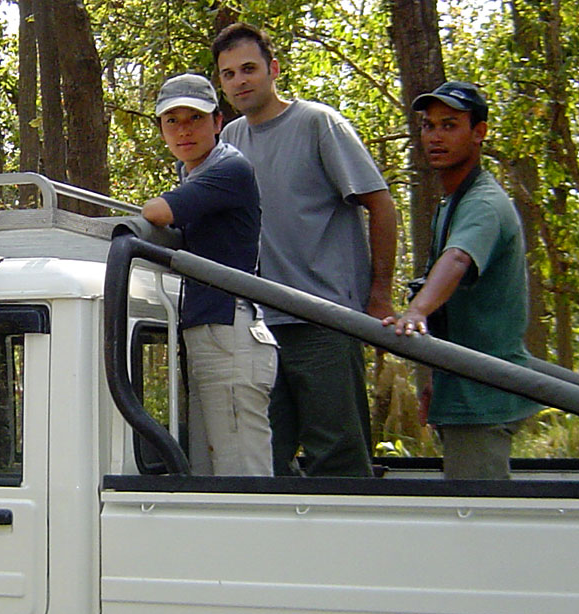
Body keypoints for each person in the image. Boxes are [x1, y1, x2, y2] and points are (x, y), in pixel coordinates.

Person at [211, 23, 398, 478]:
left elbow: (381, 204)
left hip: (325, 319)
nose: (240, 81)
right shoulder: (229, 141)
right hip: (259, 328)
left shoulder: (318, 124)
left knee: (337, 457)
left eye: (249, 68)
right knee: (264, 458)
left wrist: (379, 294)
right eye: (229, 73)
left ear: (273, 70)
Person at [383, 80, 542, 479]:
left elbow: (457, 260)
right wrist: (439, 377)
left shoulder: (484, 203)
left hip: (482, 396)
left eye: (450, 125)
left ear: (479, 133)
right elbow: (454, 304)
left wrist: (416, 311)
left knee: (480, 524)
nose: (435, 137)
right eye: (428, 126)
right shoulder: (451, 202)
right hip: (461, 389)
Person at [140, 73, 277, 477]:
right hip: (210, 332)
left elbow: (157, 213)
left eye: (195, 119)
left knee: (240, 476)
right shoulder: (196, 172)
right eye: (172, 121)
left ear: (218, 122)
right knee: (208, 471)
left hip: (229, 333)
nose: (183, 130)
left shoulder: (229, 168)